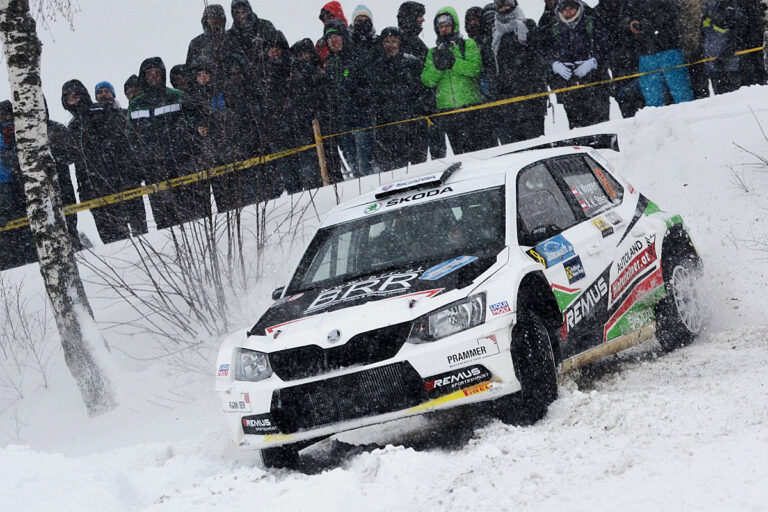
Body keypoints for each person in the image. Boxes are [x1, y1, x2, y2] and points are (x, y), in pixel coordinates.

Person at [128, 57, 203, 230]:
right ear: (143, 77)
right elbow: (131, 138)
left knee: (192, 219)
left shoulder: (176, 96)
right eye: (150, 74)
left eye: (157, 73)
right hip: (154, 171)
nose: (154, 77)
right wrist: (142, 162)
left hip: (182, 165)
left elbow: (196, 122)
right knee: (164, 223)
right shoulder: (136, 105)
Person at [63, 80, 138, 243]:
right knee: (110, 238)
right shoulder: (73, 126)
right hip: (91, 187)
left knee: (136, 232)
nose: (73, 100)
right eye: (68, 98)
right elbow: (74, 159)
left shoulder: (99, 112)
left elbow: (119, 142)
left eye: (76, 96)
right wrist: (84, 187)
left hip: (117, 180)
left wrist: (126, 170)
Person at [421, 7, 494, 155]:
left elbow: (475, 69)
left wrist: (454, 62)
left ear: (455, 26)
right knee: (462, 155)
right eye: (440, 27)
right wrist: (438, 68)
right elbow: (427, 80)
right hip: (448, 111)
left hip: (472, 107)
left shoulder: (467, 44)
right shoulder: (432, 52)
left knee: (484, 153)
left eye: (447, 25)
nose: (444, 29)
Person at [322, 20, 375, 177]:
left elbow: (370, 86)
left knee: (365, 167)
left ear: (344, 36)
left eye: (336, 36)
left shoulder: (359, 56)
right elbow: (330, 95)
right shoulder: (330, 65)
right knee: (354, 168)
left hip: (361, 120)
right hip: (343, 124)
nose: (333, 41)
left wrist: (355, 96)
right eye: (329, 38)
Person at [373, 27, 430, 172]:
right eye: (386, 42)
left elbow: (424, 89)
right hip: (390, 127)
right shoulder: (377, 66)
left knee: (420, 168)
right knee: (397, 171)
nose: (390, 45)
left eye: (393, 41)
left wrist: (421, 111)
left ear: (400, 43)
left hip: (415, 124)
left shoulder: (412, 62)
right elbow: (375, 96)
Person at [546, 0, 610, 129]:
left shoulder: (592, 23)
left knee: (601, 126)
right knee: (577, 128)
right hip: (569, 88)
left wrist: (593, 62)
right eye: (564, 9)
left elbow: (606, 48)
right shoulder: (554, 30)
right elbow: (546, 52)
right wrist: (555, 65)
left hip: (596, 85)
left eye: (571, 8)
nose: (568, 13)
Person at [491, 0, 546, 143]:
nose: (503, 9)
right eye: (499, 6)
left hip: (530, 95)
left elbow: (537, 57)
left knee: (536, 143)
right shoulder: (496, 33)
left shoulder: (528, 25)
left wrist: (533, 86)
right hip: (507, 98)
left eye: (506, 5)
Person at [622, 0, 695, 108]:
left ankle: (689, 120)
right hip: (646, 52)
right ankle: (657, 123)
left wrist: (645, 24)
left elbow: (671, 14)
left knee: (681, 94)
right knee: (653, 98)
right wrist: (630, 23)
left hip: (668, 49)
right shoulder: (631, 3)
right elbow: (623, 18)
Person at [281, 39, 326, 192]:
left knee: (324, 171)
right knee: (309, 173)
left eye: (306, 54)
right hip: (302, 132)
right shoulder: (293, 80)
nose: (304, 58)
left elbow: (323, 98)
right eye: (300, 55)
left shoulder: (318, 74)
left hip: (321, 128)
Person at [397, 1, 436, 161]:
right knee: (419, 160)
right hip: (415, 111)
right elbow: (417, 77)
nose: (423, 20)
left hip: (413, 109)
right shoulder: (408, 42)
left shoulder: (408, 40)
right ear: (412, 17)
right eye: (420, 16)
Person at [701, 0, 744, 94]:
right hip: (712, 63)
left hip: (730, 64)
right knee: (720, 98)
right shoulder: (705, 9)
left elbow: (737, 35)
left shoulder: (730, 6)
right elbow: (704, 36)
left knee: (734, 97)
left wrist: (725, 55)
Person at [225, 0, 279, 69]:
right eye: (237, 12)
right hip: (243, 76)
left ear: (249, 10)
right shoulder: (230, 35)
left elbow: (278, 46)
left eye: (243, 11)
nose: (241, 15)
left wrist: (269, 52)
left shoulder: (265, 26)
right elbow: (227, 60)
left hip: (268, 72)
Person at [186, 4, 228, 82]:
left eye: (217, 18)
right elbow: (189, 69)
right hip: (203, 88)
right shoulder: (196, 43)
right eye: (210, 18)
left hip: (227, 86)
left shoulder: (230, 39)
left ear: (222, 20)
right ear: (205, 20)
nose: (213, 21)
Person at [316, 2, 348, 68]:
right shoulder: (320, 44)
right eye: (324, 18)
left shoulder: (353, 37)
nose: (326, 21)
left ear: (338, 16)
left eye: (329, 17)